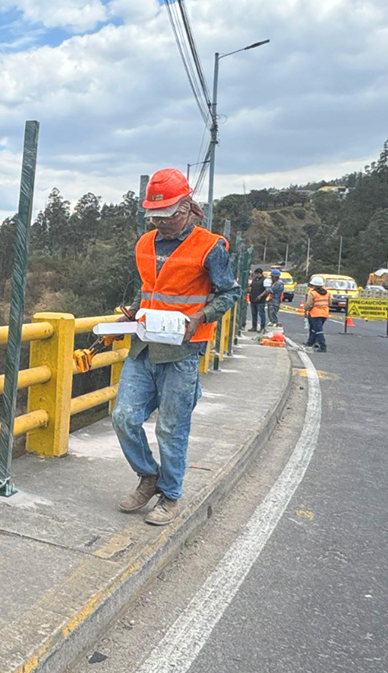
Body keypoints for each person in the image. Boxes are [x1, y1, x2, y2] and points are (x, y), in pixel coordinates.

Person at [111, 168, 241, 526]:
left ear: (188, 207)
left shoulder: (210, 246)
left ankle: (169, 496)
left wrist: (202, 317)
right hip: (144, 345)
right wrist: (133, 313)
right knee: (123, 417)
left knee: (171, 427)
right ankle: (148, 476)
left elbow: (229, 292)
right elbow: (151, 289)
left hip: (182, 351)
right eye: (156, 216)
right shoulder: (144, 244)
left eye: (169, 215)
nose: (162, 223)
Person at [304, 275, 330, 352]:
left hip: (315, 314)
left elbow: (309, 304)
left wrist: (306, 310)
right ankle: (310, 342)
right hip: (324, 313)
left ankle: (322, 346)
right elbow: (330, 302)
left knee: (318, 330)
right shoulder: (327, 292)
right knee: (315, 329)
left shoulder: (312, 293)